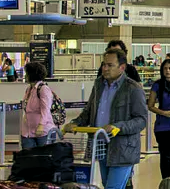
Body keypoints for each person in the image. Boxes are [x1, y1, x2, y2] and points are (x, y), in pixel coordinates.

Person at [63, 49, 147, 189]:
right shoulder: (98, 85)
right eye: (104, 65)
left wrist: (118, 126)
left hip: (123, 149)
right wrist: (75, 123)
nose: (105, 68)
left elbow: (141, 120)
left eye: (110, 65)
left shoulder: (133, 88)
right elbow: (89, 112)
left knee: (112, 187)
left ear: (122, 67)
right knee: (106, 184)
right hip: (101, 146)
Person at [21, 62, 54, 149]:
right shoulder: (29, 89)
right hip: (27, 131)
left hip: (43, 131)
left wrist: (41, 125)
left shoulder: (43, 89)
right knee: (28, 157)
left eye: (27, 73)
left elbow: (45, 109)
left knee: (43, 158)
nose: (25, 76)